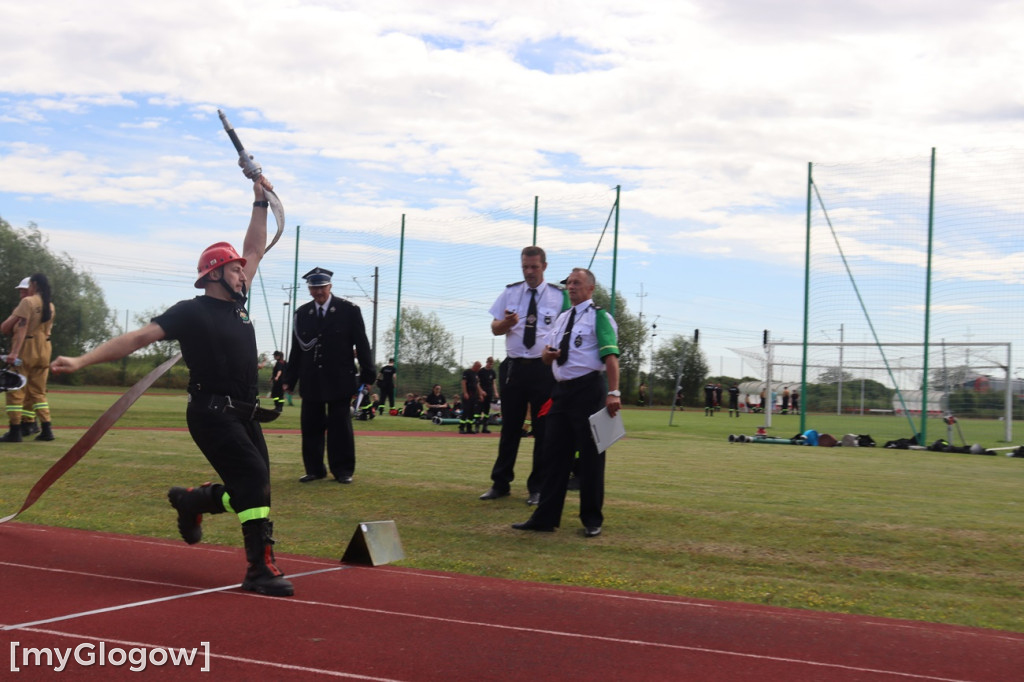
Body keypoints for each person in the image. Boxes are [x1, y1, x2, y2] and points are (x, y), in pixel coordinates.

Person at [51, 176, 293, 597]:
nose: (244, 271)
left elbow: (254, 249)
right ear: (216, 273)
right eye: (235, 268)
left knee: (253, 491)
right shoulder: (190, 312)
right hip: (211, 413)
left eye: (241, 268)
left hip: (244, 412)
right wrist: (81, 359)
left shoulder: (239, 300)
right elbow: (138, 338)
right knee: (253, 479)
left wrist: (258, 202)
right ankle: (260, 569)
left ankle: (191, 501)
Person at [512, 267, 620, 538]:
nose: (570, 287)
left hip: (589, 390)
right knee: (554, 455)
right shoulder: (561, 319)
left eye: (576, 283)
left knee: (591, 458)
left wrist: (614, 393)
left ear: (590, 288)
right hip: (561, 392)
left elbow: (611, 357)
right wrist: (548, 355)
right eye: (568, 283)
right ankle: (545, 518)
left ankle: (592, 519)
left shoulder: (600, 317)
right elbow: (546, 355)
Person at [480, 246, 569, 504]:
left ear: (545, 266)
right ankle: (500, 483)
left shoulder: (558, 296)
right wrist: (505, 324)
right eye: (525, 267)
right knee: (510, 427)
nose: (529, 272)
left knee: (543, 429)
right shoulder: (510, 292)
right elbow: (495, 327)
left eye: (534, 267)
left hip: (544, 368)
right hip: (514, 367)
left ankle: (537, 488)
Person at [283, 267, 374, 485]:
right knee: (311, 426)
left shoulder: (349, 310)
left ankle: (342, 471)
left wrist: (368, 375)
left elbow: (362, 344)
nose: (318, 292)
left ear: (330, 286)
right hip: (311, 378)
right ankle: (314, 469)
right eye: (313, 288)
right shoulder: (302, 314)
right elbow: (296, 349)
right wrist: (289, 378)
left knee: (340, 427)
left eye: (321, 287)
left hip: (339, 378)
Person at [1, 273, 56, 442]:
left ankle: (15, 430)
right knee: (38, 392)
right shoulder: (50, 305)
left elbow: (22, 329)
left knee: (16, 389)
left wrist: (14, 353)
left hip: (28, 346)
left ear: (34, 284)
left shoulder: (28, 302)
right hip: (45, 348)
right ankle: (46, 429)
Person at [460, 361, 485, 434]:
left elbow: (477, 385)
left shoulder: (476, 375)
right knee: (466, 411)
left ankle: (469, 428)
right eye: (479, 367)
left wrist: (480, 394)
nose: (479, 369)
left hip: (474, 396)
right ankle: (461, 428)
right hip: (468, 394)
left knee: (472, 412)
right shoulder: (467, 372)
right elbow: (463, 382)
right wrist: (465, 393)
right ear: (475, 366)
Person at [477, 357, 498, 434]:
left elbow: (494, 383)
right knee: (479, 410)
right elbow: (477, 383)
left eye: (492, 364)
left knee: (486, 410)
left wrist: (496, 392)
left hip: (489, 393)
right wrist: (481, 392)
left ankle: (485, 427)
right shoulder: (481, 371)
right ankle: (477, 427)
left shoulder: (493, 372)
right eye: (489, 363)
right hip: (482, 393)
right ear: (487, 362)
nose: (490, 365)